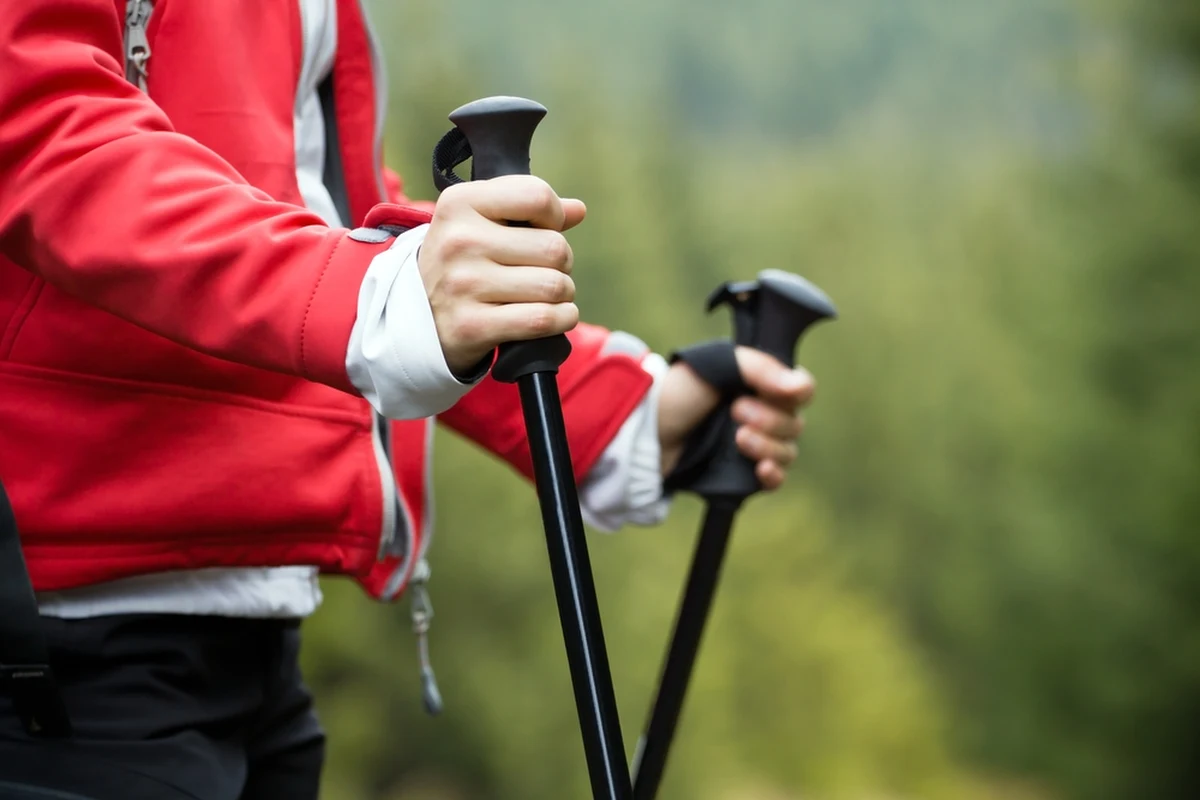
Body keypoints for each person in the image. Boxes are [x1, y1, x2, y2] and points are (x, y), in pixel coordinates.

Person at [0, 1, 817, 798]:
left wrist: (614, 415)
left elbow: (319, 218)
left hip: (246, 648)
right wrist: (370, 293)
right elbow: (40, 122)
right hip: (53, 651)